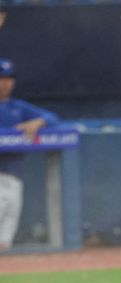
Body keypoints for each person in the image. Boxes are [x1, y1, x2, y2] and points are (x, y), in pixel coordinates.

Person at [0, 58, 60, 253]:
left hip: (14, 175)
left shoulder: (17, 107)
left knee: (5, 238)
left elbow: (53, 118)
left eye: (9, 78)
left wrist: (36, 123)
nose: (6, 83)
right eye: (2, 78)